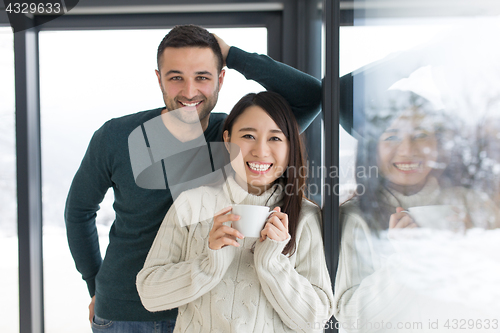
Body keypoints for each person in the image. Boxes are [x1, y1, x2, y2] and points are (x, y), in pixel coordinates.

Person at [64, 25, 322, 332]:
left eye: (202, 76)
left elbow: (311, 98)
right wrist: (94, 283)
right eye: (176, 78)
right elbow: (79, 212)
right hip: (125, 309)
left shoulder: (236, 137)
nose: (189, 92)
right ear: (159, 79)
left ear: (220, 79)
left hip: (203, 307)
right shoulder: (116, 136)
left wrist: (233, 55)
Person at [136, 91, 334, 333]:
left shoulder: (305, 215)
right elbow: (149, 293)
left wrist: (271, 262)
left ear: (290, 145)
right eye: (248, 135)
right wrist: (209, 264)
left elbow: (315, 320)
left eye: (275, 138)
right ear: (228, 140)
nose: (261, 151)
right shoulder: (191, 204)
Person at [333, 89, 500, 332]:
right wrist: (404, 258)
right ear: (372, 148)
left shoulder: (472, 204)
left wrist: (471, 248)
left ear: (438, 145)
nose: (407, 149)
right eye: (391, 137)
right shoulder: (353, 217)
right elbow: (353, 319)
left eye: (421, 135)